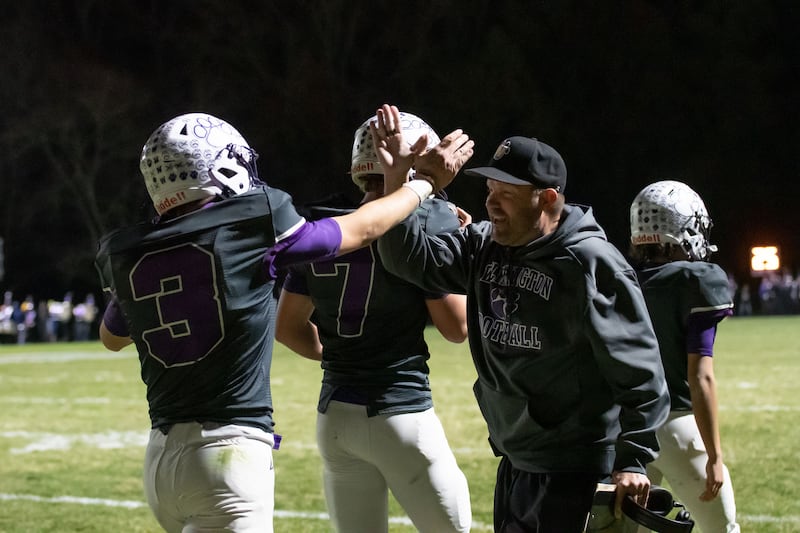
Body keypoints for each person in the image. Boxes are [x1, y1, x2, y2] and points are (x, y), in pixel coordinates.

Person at [94, 107, 473, 533]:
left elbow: (110, 336)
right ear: (223, 165)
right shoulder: (253, 219)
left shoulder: (127, 250)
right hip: (228, 455)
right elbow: (364, 232)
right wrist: (423, 185)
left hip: (161, 461)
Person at [374, 133, 670, 532]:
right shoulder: (486, 247)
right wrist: (399, 184)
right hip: (516, 461)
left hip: (575, 470)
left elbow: (641, 371)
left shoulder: (588, 264)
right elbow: (405, 260)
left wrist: (633, 460)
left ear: (546, 199)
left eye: (506, 193)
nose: (490, 202)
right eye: (489, 189)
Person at [275, 112, 472, 533]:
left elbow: (288, 327)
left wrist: (343, 355)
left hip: (335, 415)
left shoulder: (326, 226)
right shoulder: (428, 219)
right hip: (400, 410)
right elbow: (457, 327)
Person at [629, 180, 740, 532]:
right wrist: (715, 456)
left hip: (626, 428)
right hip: (678, 425)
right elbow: (700, 377)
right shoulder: (696, 280)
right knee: (721, 529)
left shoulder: (619, 278)